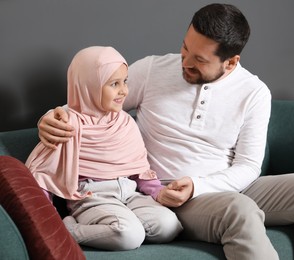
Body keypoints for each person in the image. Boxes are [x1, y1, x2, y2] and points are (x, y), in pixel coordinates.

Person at [37, 4, 294, 260]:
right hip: (168, 193)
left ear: (231, 62)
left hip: (220, 184)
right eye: (185, 48)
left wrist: (198, 184)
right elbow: (90, 103)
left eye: (199, 60)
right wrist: (52, 116)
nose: (185, 62)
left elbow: (248, 167)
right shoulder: (152, 70)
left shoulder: (254, 93)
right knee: (240, 210)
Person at [26, 46, 183, 251]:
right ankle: (69, 230)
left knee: (169, 226)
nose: (124, 91)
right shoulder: (67, 124)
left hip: (130, 193)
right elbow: (45, 175)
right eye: (114, 84)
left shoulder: (125, 122)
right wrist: (48, 219)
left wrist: (159, 192)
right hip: (93, 197)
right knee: (129, 236)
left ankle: (123, 226)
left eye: (125, 81)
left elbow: (139, 169)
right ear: (88, 86)